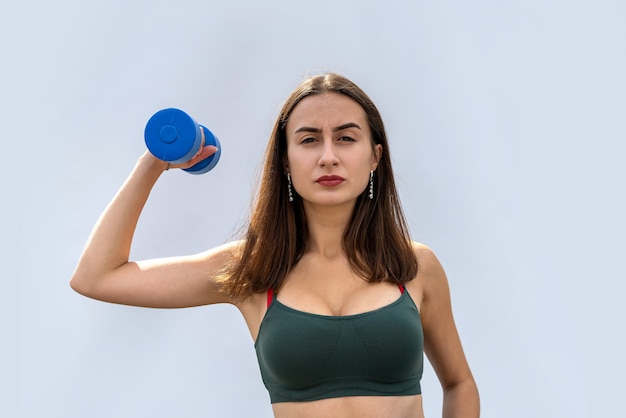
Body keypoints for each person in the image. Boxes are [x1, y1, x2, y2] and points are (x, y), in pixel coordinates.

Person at [70, 73, 479, 418]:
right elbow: (96, 277)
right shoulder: (251, 269)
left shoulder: (415, 265)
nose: (328, 157)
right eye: (308, 140)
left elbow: (459, 383)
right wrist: (156, 160)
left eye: (346, 138)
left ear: (375, 157)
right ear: (285, 160)